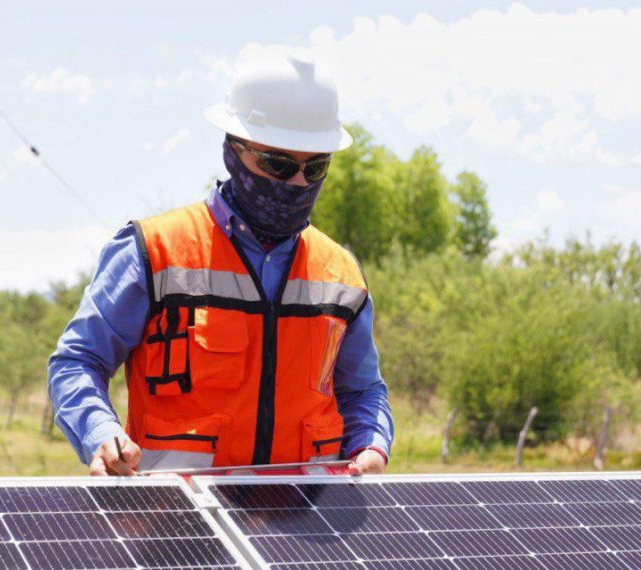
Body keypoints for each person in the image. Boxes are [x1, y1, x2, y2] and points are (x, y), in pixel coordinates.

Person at [47, 50, 393, 477]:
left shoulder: (341, 273)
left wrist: (372, 445)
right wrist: (100, 432)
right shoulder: (153, 250)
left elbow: (363, 390)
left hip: (306, 528)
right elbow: (78, 360)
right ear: (232, 149)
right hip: (178, 525)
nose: (298, 183)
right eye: (278, 164)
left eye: (316, 167)